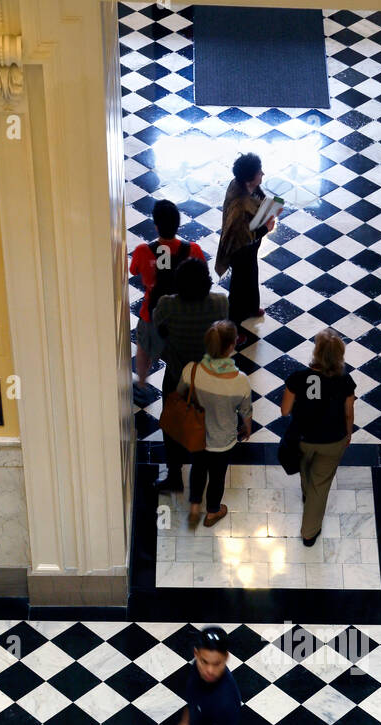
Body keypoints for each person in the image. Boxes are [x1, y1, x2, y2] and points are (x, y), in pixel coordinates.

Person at [154, 259, 229, 493]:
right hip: (211, 377)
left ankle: (174, 475)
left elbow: (158, 326)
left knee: (172, 425)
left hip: (178, 376)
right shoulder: (220, 303)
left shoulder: (167, 305)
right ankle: (202, 469)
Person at [281, 330, 356, 546]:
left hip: (303, 438)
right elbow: (349, 413)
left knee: (304, 467)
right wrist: (348, 433)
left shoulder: (298, 377)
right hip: (333, 440)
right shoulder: (345, 381)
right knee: (320, 485)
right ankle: (309, 532)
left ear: (316, 352)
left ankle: (306, 493)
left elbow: (285, 411)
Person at [176, 320, 252, 529]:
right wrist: (247, 426)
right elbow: (245, 410)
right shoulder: (240, 381)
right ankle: (212, 512)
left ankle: (193, 508)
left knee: (198, 469)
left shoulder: (191, 370)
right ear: (230, 346)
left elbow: (180, 394)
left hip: (197, 435)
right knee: (217, 477)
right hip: (222, 440)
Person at [129, 199, 206, 405]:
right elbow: (202, 275)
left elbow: (134, 270)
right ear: (178, 224)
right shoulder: (193, 250)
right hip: (184, 316)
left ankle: (142, 385)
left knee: (144, 349)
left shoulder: (143, 251)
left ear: (156, 225)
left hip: (152, 314)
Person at [215, 153, 276, 348]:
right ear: (250, 177)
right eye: (259, 173)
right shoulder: (239, 206)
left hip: (249, 249)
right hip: (239, 250)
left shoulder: (243, 184)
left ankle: (250, 308)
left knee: (251, 276)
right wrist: (266, 228)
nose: (263, 175)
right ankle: (232, 330)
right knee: (238, 288)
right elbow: (242, 237)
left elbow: (259, 198)